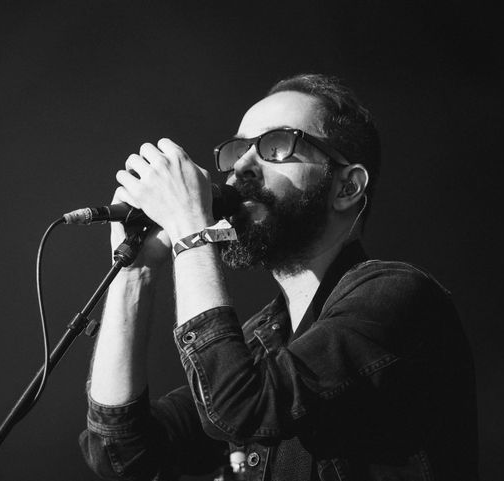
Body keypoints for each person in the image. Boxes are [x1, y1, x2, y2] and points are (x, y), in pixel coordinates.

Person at [79, 74, 478, 481]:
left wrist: (189, 227)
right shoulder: (260, 344)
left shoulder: (398, 298)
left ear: (347, 186)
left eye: (276, 146)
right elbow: (120, 453)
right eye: (238, 149)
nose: (242, 166)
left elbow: (243, 407)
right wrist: (135, 271)